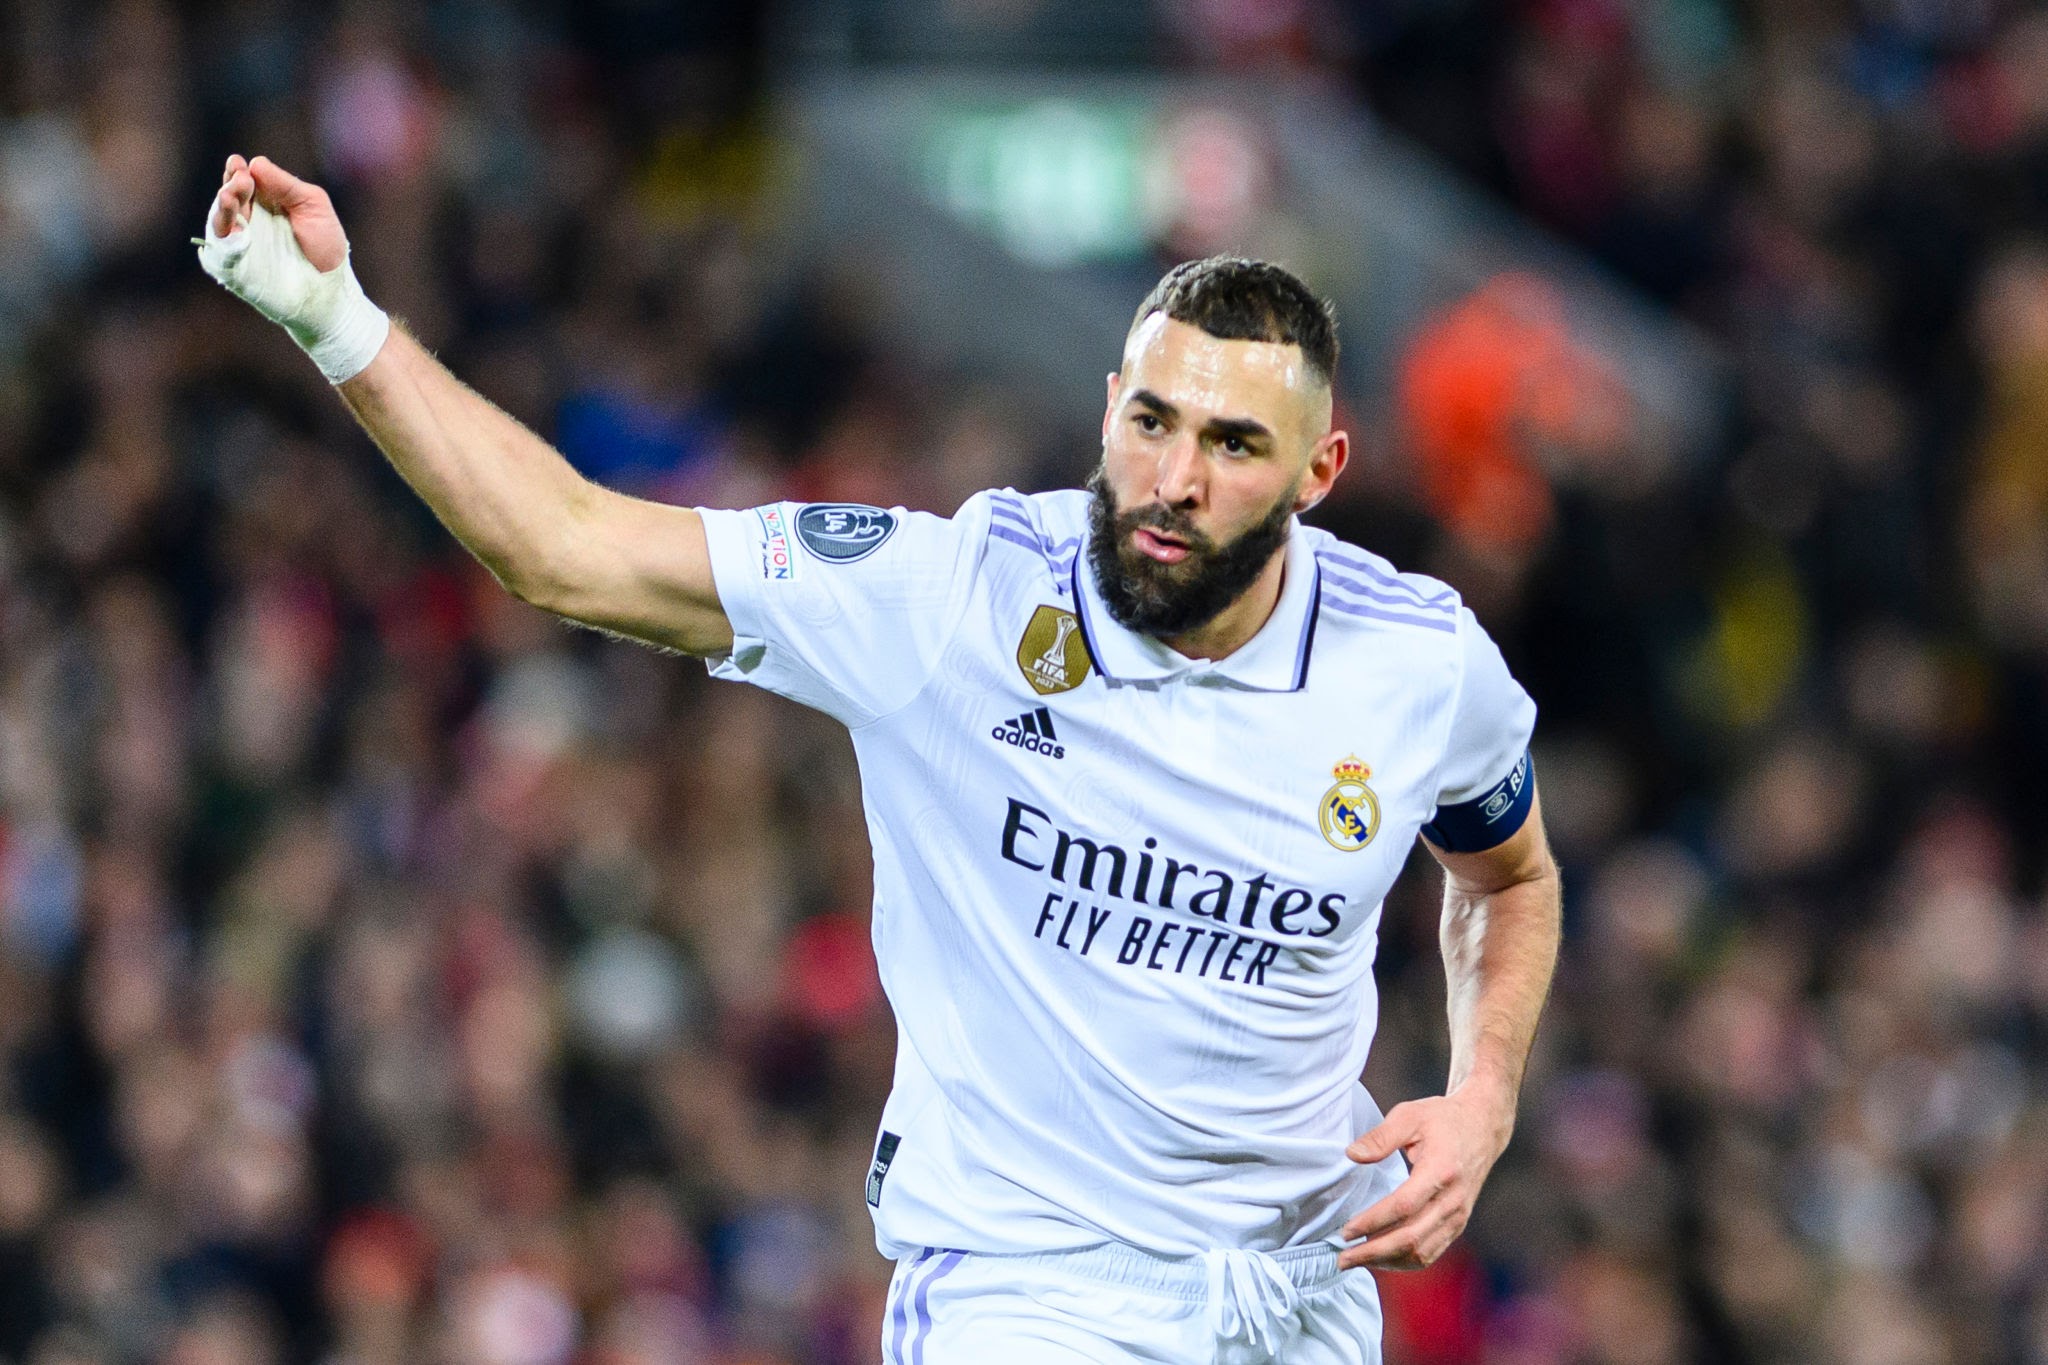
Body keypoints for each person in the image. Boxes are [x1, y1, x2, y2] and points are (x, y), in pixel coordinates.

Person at [197, 154, 1561, 1364]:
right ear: (1106, 409)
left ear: (1321, 469)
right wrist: (339, 319)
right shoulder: (955, 599)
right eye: (1151, 421)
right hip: (1034, 1294)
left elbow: (1509, 877)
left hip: (1301, 1294)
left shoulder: (1419, 663)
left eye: (1232, 443)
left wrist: (1483, 1098)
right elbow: (566, 543)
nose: (1174, 477)